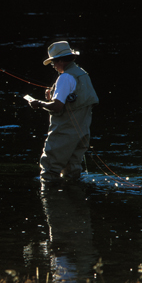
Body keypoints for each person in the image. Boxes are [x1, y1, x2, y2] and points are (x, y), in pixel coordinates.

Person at [27, 41, 99, 182]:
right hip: (82, 132)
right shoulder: (81, 73)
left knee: (49, 170)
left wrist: (39, 103)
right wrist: (51, 98)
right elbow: (74, 100)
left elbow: (58, 106)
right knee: (72, 170)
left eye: (54, 62)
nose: (53, 66)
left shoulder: (65, 77)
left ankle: (50, 201)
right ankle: (74, 199)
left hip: (64, 132)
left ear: (60, 60)